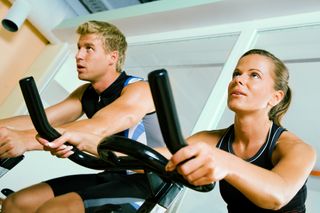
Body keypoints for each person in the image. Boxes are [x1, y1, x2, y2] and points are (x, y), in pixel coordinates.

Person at [1, 20, 165, 212]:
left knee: (55, 209)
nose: (78, 55)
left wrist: (26, 141)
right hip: (111, 175)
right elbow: (39, 121)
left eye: (89, 49)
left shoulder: (139, 89)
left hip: (147, 182)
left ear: (112, 57)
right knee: (17, 203)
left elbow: (98, 128)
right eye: (79, 48)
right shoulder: (86, 93)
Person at [165, 49, 316, 212]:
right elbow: (163, 156)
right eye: (237, 73)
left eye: (254, 75)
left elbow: (278, 195)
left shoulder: (297, 148)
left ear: (276, 97)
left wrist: (224, 161)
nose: (238, 79)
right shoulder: (211, 140)